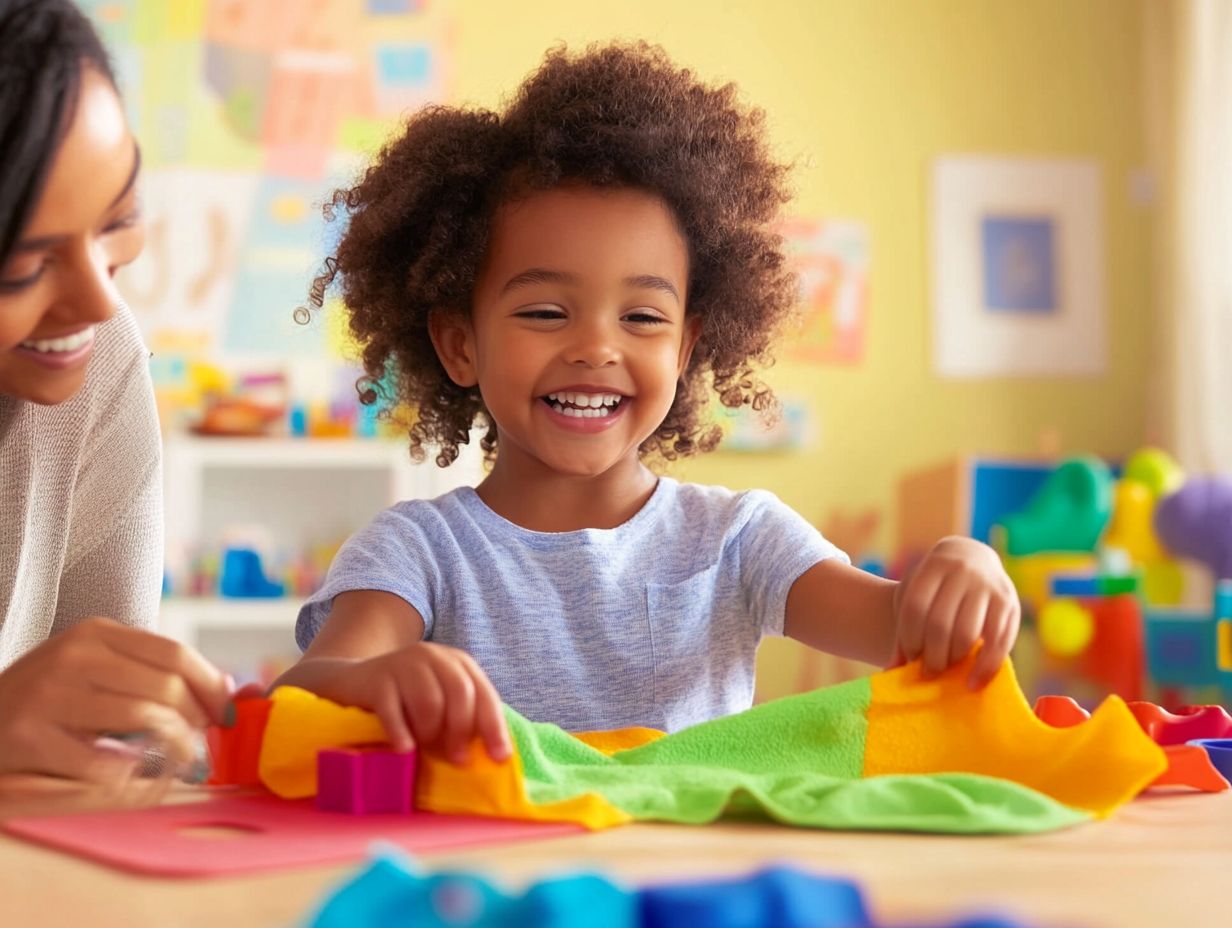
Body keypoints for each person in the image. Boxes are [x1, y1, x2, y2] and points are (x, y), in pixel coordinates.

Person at [277, 42, 1020, 765]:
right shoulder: (418, 551)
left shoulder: (737, 539)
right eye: (544, 312)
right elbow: (295, 701)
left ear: (687, 347)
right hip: (497, 885)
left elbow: (901, 631)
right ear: (460, 344)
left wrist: (965, 567)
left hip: (688, 885)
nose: (597, 348)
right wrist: (367, 683)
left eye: (642, 318)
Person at [0, 0, 233, 784]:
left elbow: (117, 756)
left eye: (119, 217)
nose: (100, 301)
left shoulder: (94, 368)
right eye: (25, 267)